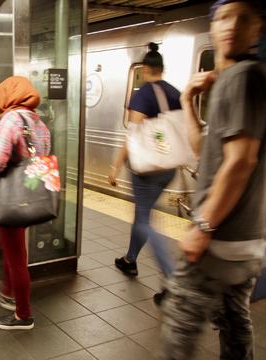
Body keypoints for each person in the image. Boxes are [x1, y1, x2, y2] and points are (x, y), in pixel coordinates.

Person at [161, 1, 266, 358]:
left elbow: (241, 162)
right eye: (224, 17)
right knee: (233, 321)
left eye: (244, 18)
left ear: (259, 29)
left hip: (220, 238)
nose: (232, 26)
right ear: (211, 26)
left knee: (179, 324)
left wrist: (203, 226)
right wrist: (187, 99)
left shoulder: (240, 78)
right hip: (249, 239)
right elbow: (203, 151)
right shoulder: (244, 78)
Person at [109, 42, 181, 304]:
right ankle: (130, 259)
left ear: (146, 70)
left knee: (145, 220)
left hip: (146, 169)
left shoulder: (143, 94)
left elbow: (133, 134)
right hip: (169, 167)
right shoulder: (176, 93)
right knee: (143, 213)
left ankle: (172, 280)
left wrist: (115, 165)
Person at [0, 76, 51, 330]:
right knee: (17, 249)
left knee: (15, 256)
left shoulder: (11, 120)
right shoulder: (38, 121)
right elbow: (41, 156)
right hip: (29, 195)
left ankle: (23, 315)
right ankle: (8, 291)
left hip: (10, 197)